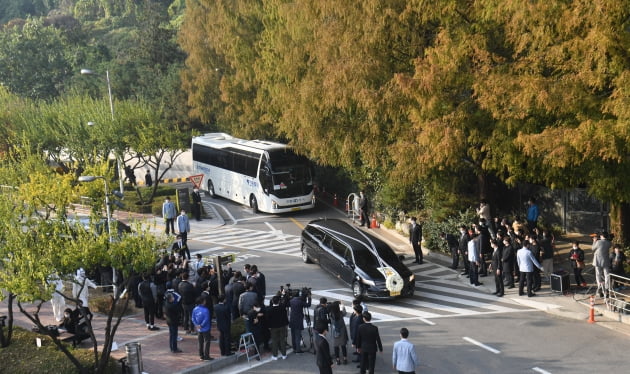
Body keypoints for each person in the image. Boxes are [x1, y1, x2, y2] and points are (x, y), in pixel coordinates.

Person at [266, 295, 289, 360]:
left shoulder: (269, 309)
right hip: (282, 326)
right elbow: (285, 317)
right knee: (282, 340)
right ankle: (284, 355)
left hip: (273, 327)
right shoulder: (282, 308)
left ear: (272, 301)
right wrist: (286, 324)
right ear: (279, 301)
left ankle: (275, 355)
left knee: (274, 341)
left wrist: (269, 326)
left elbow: (267, 319)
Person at [289, 288, 311, 353]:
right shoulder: (300, 301)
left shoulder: (291, 300)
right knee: (297, 335)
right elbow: (308, 305)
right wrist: (309, 298)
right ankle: (298, 350)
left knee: (293, 335)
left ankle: (294, 348)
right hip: (298, 320)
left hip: (292, 319)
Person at [192, 295, 213, 361]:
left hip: (199, 328)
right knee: (207, 341)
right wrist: (201, 325)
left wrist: (197, 325)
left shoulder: (195, 309)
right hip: (205, 328)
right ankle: (206, 356)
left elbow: (193, 318)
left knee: (200, 342)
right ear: (202, 302)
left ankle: (201, 355)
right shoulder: (206, 310)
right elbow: (206, 319)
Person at [592, 231, 612, 297]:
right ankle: (607, 289)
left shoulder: (598, 242)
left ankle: (600, 288)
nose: (599, 237)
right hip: (605, 260)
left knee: (598, 275)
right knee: (607, 275)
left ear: (602, 236)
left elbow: (593, 248)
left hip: (597, 260)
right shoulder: (609, 243)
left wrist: (594, 241)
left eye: (600, 236)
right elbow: (608, 242)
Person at [329, 301, 349, 365]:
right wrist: (342, 306)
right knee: (343, 345)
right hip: (342, 331)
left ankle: (338, 360)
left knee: (336, 346)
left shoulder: (331, 314)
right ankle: (345, 359)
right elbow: (345, 312)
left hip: (335, 332)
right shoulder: (340, 313)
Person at [164, 289, 182, 353]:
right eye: (172, 297)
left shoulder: (166, 303)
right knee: (174, 335)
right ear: (170, 299)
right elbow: (177, 312)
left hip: (169, 321)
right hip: (173, 321)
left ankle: (172, 347)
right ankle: (174, 348)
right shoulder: (172, 306)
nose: (173, 298)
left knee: (171, 335)